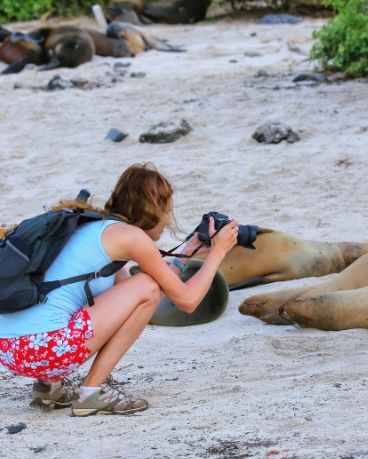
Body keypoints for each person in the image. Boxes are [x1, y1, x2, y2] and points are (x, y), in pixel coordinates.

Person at [0, 162, 238, 416]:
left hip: (10, 351)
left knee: (91, 292)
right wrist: (218, 253)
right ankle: (92, 391)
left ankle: (49, 387)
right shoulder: (130, 237)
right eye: (167, 211)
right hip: (45, 350)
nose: (168, 220)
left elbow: (131, 299)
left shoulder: (90, 227)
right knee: (145, 286)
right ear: (153, 208)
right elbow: (187, 301)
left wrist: (188, 251)